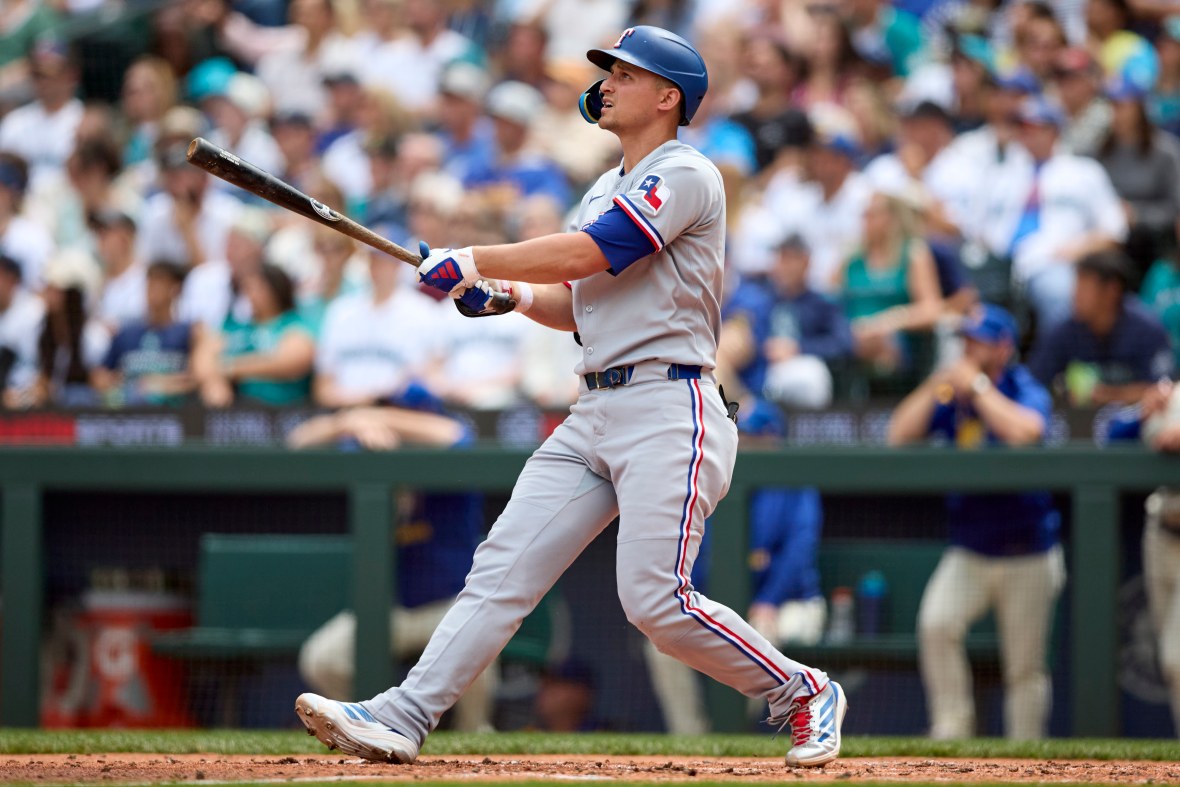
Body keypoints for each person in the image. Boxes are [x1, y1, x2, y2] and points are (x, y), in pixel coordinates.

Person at [294, 25, 846, 768]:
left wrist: (475, 255)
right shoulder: (602, 187)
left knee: (655, 601)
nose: (608, 81)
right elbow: (581, 299)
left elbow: (591, 251)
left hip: (669, 405)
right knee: (502, 564)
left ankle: (803, 689)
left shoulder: (686, 171)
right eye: (608, 70)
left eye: (625, 71)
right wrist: (510, 292)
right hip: (596, 407)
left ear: (667, 95)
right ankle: (403, 713)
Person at [887, 303, 1064, 740]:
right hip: (971, 548)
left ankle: (1026, 753)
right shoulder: (954, 394)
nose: (969, 348)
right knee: (937, 624)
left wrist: (980, 387)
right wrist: (938, 384)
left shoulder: (1022, 387)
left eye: (979, 341)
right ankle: (952, 729)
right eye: (965, 339)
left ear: (1003, 348)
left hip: (1029, 550)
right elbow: (898, 434)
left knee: (1025, 666)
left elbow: (1027, 432)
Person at [289, 398, 494, 733]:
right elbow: (297, 441)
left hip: (448, 607)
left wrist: (376, 414)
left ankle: (475, 733)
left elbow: (457, 434)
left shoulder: (450, 458)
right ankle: (373, 729)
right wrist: (350, 421)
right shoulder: (371, 449)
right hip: (387, 611)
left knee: (479, 641)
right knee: (322, 658)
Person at [1028, 248, 1173, 407]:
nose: (1075, 294)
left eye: (1084, 287)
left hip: (1138, 421)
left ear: (1112, 290)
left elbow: (1164, 389)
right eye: (1076, 285)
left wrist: (1111, 395)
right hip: (1077, 424)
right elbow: (1034, 384)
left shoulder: (1147, 330)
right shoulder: (1063, 330)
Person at [91, 261, 196, 407]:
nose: (151, 291)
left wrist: (158, 385)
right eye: (149, 284)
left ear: (174, 289)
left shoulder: (187, 332)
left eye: (159, 284)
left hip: (173, 413)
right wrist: (116, 385)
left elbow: (195, 378)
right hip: (130, 414)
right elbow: (99, 375)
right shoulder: (126, 333)